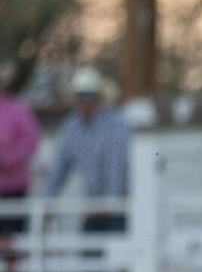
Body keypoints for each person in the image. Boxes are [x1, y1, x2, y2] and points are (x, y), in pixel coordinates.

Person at [45, 67, 130, 232]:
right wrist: (48, 202)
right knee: (88, 245)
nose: (85, 101)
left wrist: (109, 205)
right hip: (92, 207)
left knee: (117, 245)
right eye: (81, 96)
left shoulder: (116, 122)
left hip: (118, 208)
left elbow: (116, 167)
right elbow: (59, 168)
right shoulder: (71, 127)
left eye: (89, 96)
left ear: (99, 98)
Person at [0, 61, 40, 236]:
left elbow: (31, 141)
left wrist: (7, 159)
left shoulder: (17, 109)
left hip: (12, 188)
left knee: (12, 241)